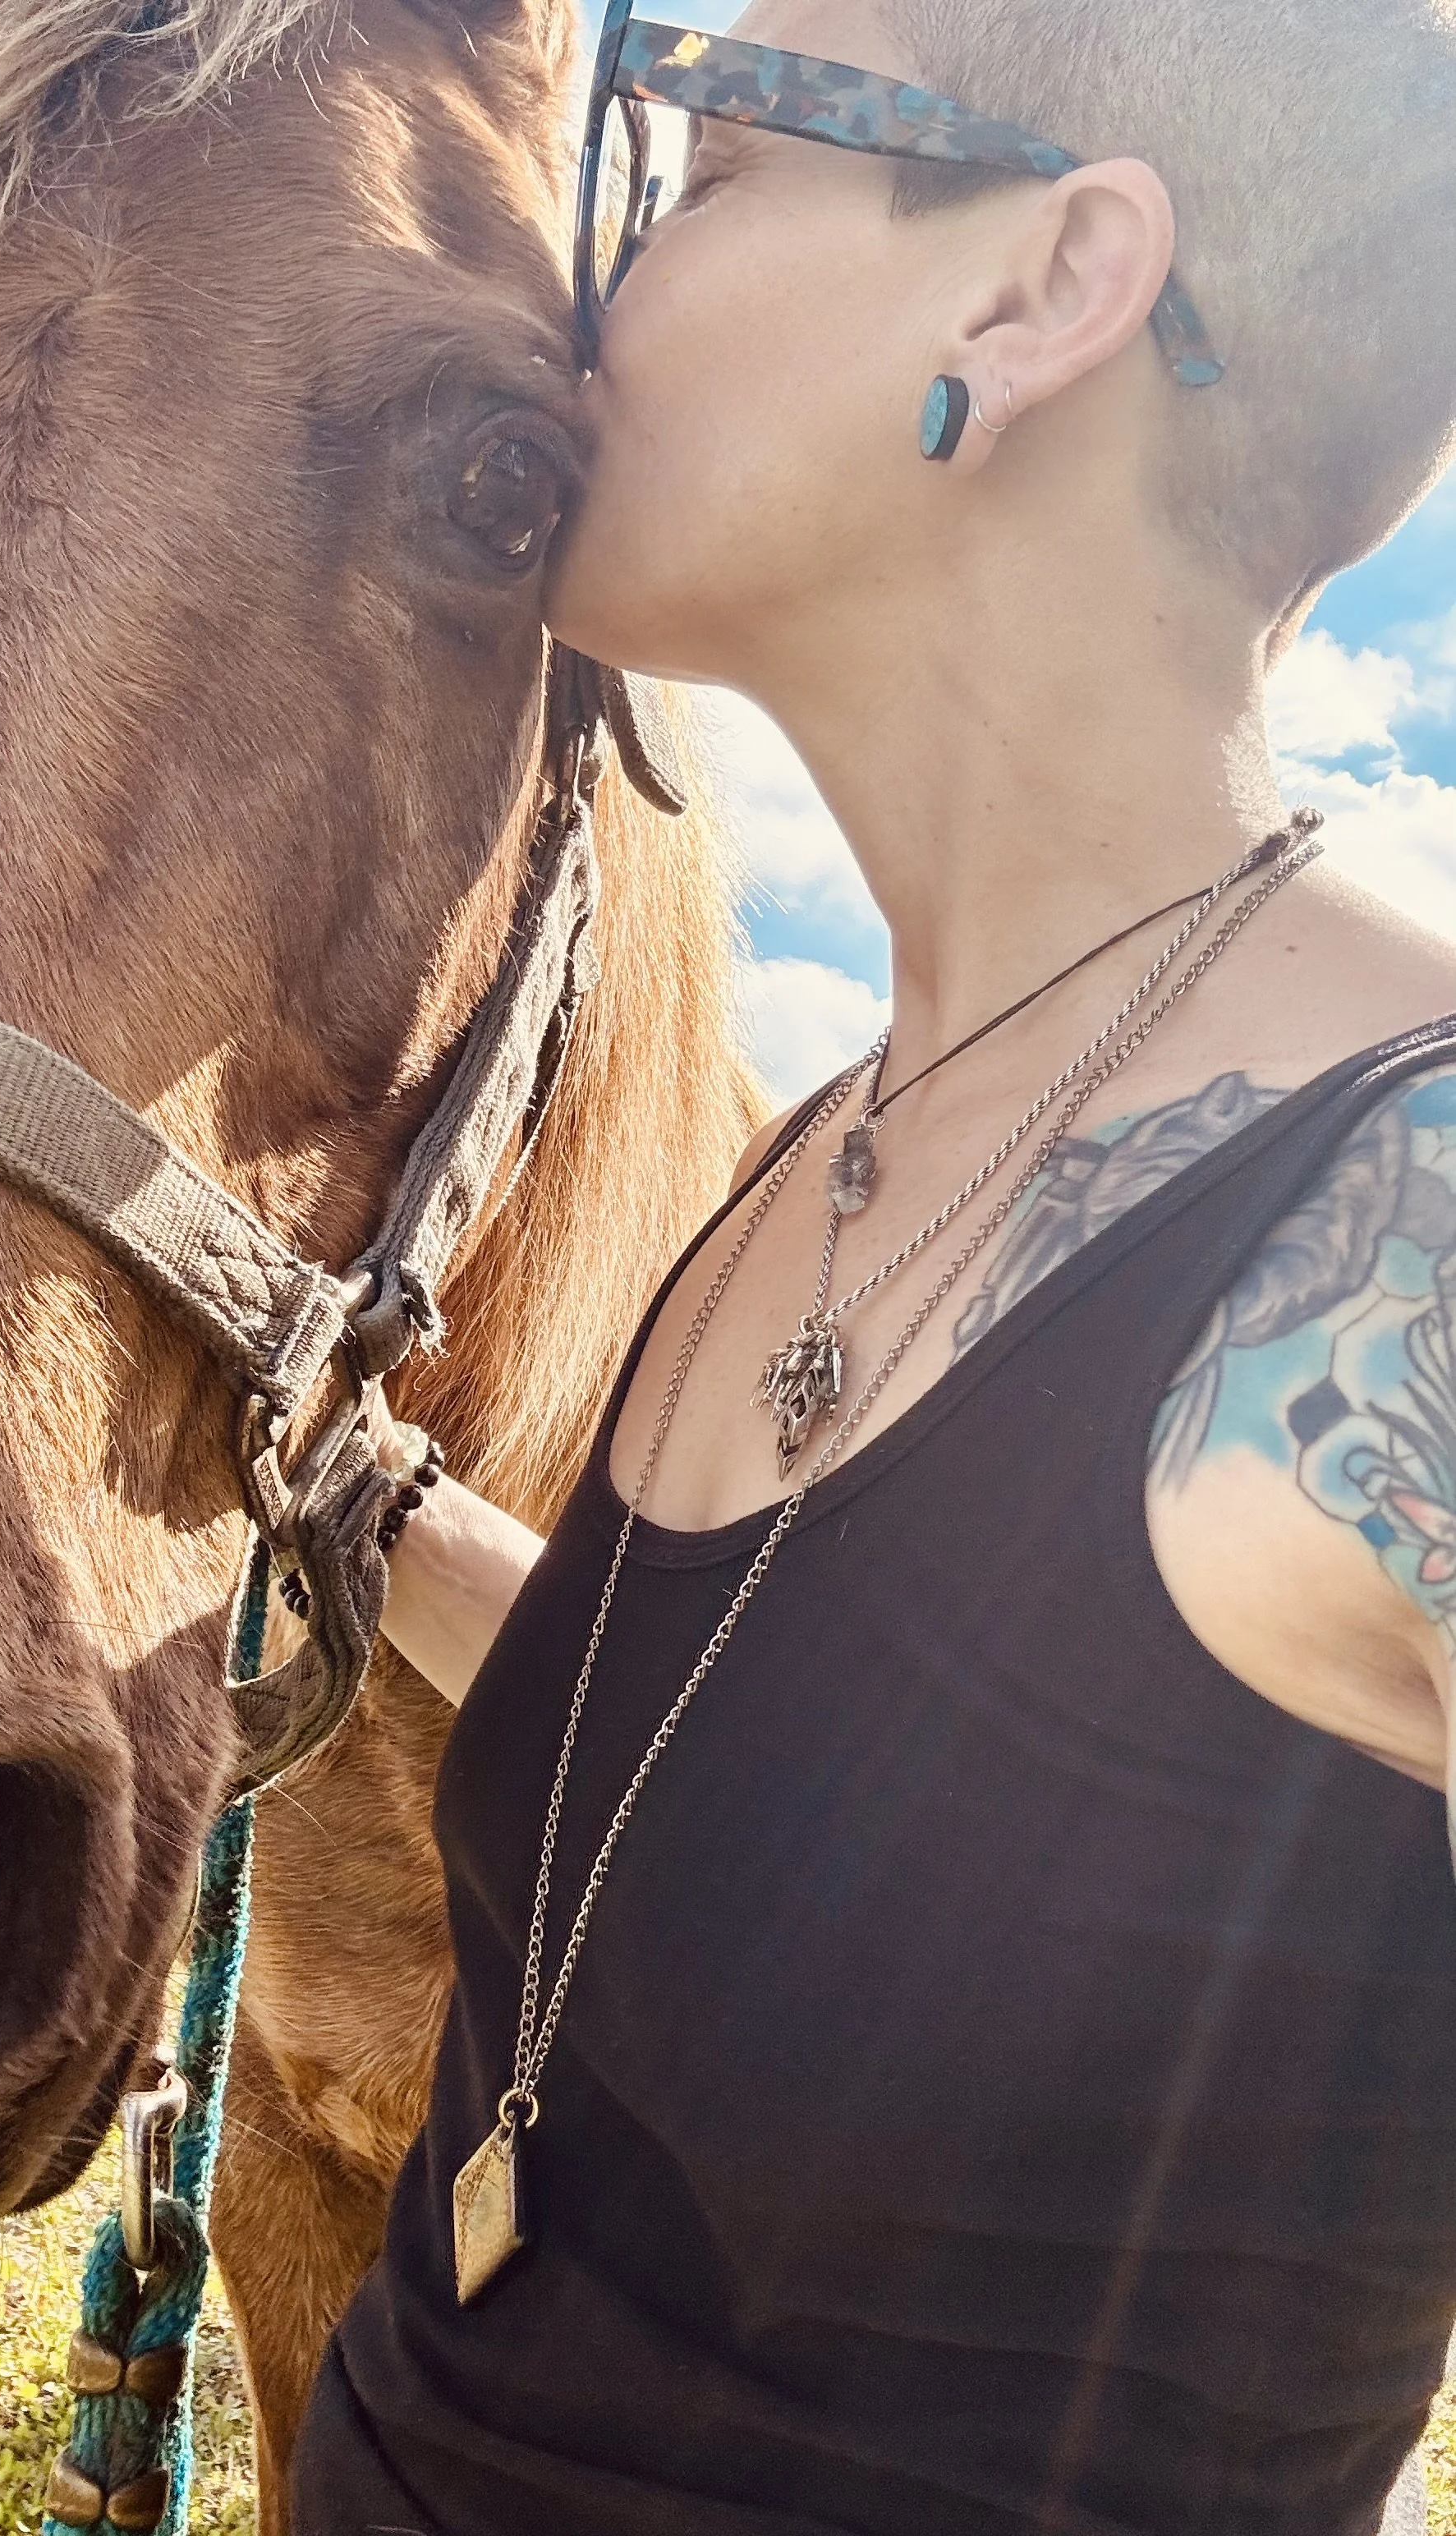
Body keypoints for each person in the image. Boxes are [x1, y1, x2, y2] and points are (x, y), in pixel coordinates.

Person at [292, 0, 1456, 2526]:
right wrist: (368, 1511)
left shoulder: (1419, 1225)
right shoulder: (850, 1130)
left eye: (696, 166)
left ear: (1038, 293)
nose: (584, 270)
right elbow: (802, 1741)